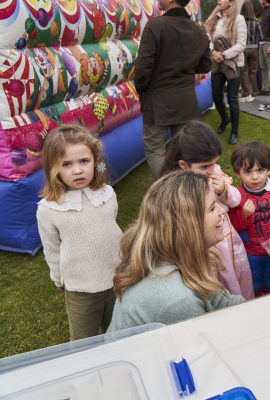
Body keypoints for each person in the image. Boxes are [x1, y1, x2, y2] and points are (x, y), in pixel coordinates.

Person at [108, 171, 244, 331]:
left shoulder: (172, 260)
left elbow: (220, 301)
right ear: (188, 225)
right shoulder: (178, 300)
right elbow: (206, 346)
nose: (223, 211)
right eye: (213, 207)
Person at [37, 125, 122, 340]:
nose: (77, 170)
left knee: (119, 332)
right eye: (67, 164)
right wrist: (58, 279)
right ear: (53, 168)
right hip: (80, 290)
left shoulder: (107, 194)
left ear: (96, 161)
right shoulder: (49, 209)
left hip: (117, 281)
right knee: (84, 340)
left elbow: (113, 231)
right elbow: (52, 250)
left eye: (84, 161)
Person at [160, 121, 254, 300]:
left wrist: (224, 191)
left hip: (226, 236)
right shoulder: (179, 191)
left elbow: (237, 200)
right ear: (183, 165)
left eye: (214, 164)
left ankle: (244, 303)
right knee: (220, 278)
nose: (212, 171)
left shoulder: (215, 173)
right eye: (205, 167)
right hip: (207, 244)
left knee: (238, 271)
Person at [135, 0, 212, 179]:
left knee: (156, 150)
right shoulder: (197, 31)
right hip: (185, 100)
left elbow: (143, 67)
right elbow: (205, 65)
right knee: (185, 151)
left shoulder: (156, 25)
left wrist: (142, 90)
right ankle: (185, 192)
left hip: (157, 100)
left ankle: (169, 192)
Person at [228, 142, 270, 295]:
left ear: (269, 169)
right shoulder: (234, 197)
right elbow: (231, 228)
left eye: (260, 170)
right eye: (248, 172)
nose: (255, 176)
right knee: (252, 284)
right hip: (249, 254)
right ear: (238, 173)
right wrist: (243, 215)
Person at [205, 0, 247, 145]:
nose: (219, 1)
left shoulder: (239, 19)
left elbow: (241, 44)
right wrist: (213, 52)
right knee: (216, 96)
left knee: (232, 99)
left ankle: (234, 131)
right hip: (217, 64)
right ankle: (225, 119)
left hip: (234, 64)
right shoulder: (214, 18)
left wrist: (223, 55)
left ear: (230, 2)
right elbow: (208, 39)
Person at [240, 1, 262, 103]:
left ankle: (246, 93)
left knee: (244, 72)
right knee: (253, 72)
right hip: (254, 49)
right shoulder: (257, 22)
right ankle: (254, 92)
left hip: (243, 49)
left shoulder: (240, 22)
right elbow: (261, 37)